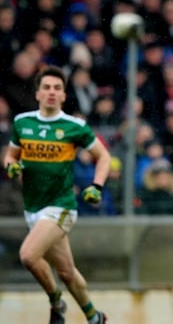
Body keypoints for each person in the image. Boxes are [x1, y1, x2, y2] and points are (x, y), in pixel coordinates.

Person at [3, 65, 110, 324]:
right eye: (47, 87)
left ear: (63, 95)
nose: (52, 92)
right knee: (66, 271)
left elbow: (104, 156)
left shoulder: (74, 126)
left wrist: (96, 186)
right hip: (32, 207)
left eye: (57, 88)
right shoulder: (22, 122)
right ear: (38, 93)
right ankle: (95, 316)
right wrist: (11, 166)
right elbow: (10, 155)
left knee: (28, 256)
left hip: (60, 206)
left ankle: (55, 302)